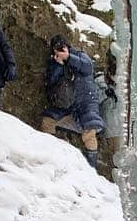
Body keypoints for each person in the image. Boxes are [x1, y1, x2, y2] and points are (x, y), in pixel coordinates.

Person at [41, 36, 105, 169]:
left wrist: (69, 58)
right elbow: (50, 82)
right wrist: (58, 64)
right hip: (67, 106)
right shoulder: (53, 62)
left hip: (86, 103)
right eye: (56, 49)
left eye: (61, 47)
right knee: (48, 121)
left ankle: (91, 168)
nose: (59, 50)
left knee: (89, 129)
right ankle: (50, 158)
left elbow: (87, 68)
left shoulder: (80, 55)